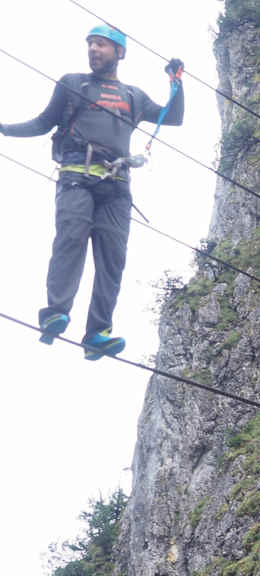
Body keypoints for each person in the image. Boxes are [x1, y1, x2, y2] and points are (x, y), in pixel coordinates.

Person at [0, 26, 184, 359]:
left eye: (100, 44)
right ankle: (55, 312)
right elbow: (43, 123)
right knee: (70, 240)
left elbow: (174, 117)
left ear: (119, 52)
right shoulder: (73, 84)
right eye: (90, 44)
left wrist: (176, 83)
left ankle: (98, 332)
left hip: (116, 186)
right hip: (76, 177)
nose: (93, 49)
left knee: (112, 260)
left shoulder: (134, 96)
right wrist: (5, 129)